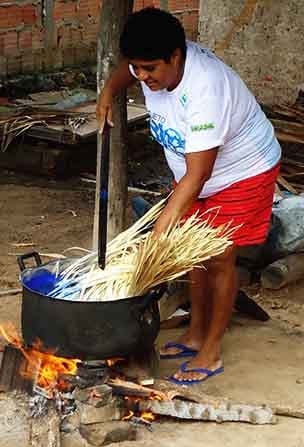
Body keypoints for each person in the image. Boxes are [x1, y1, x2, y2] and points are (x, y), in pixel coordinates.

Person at [96, 7, 281, 384]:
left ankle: (211, 349)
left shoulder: (205, 90)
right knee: (190, 254)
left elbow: (199, 174)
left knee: (218, 257)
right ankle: (195, 331)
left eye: (149, 69)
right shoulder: (146, 69)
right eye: (137, 68)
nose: (142, 77)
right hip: (197, 176)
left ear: (175, 57)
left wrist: (158, 233)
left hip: (243, 172)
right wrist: (107, 93)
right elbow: (125, 73)